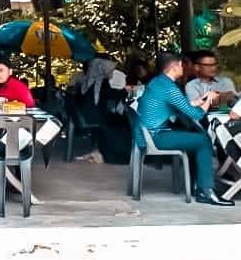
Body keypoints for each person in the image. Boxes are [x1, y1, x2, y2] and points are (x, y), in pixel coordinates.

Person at [137, 52, 232, 207]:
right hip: (156, 136)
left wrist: (202, 99)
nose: (184, 68)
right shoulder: (169, 87)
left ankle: (199, 185)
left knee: (196, 137)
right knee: (203, 140)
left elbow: (185, 106)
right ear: (175, 67)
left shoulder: (158, 83)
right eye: (182, 64)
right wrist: (209, 99)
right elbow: (196, 114)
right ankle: (206, 191)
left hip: (147, 133)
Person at [77, 57, 130, 164]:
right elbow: (112, 94)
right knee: (122, 121)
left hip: (85, 114)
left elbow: (107, 93)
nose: (111, 72)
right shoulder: (101, 81)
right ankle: (118, 154)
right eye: (109, 70)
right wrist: (126, 90)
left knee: (118, 118)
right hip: (94, 116)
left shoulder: (88, 80)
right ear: (102, 69)